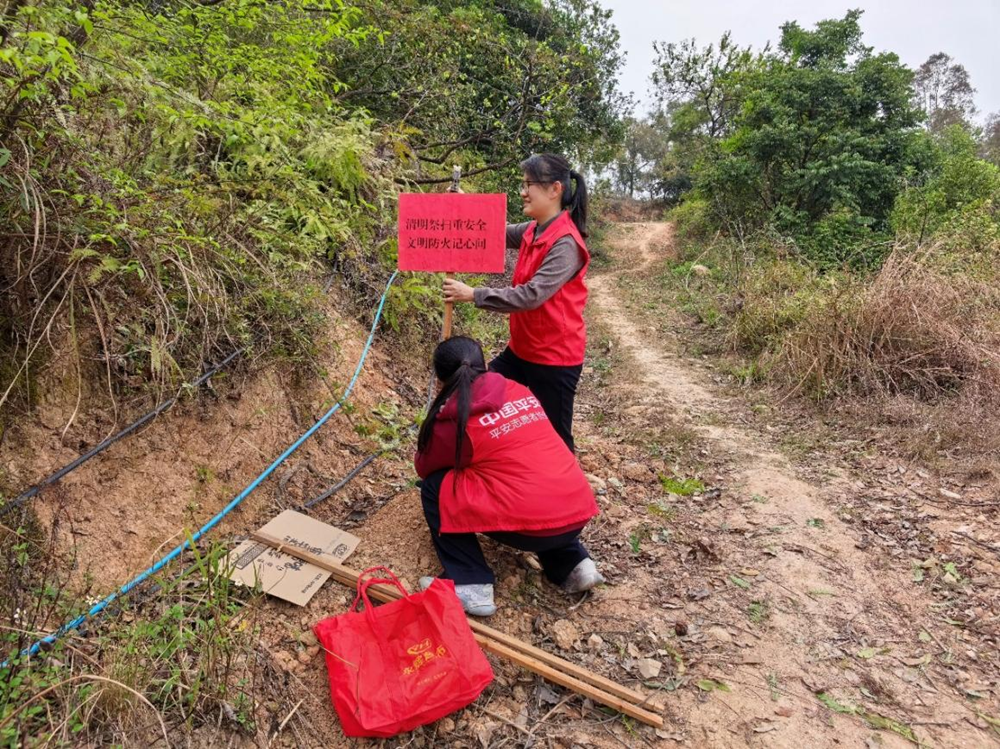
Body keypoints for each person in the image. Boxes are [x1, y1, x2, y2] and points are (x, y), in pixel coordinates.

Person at [415, 336, 605, 616]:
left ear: (440, 377)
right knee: (528, 474)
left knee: (434, 488)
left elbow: (425, 466)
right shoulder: (516, 389)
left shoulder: (455, 421)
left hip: (532, 524)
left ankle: (470, 583)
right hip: (576, 510)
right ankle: (574, 564)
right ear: (484, 365)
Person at [442, 154, 590, 452]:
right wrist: (465, 204)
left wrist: (473, 294)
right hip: (522, 350)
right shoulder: (533, 229)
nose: (523, 191)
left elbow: (531, 296)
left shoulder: (566, 244)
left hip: (554, 359)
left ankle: (565, 493)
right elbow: (493, 230)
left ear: (555, 189)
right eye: (523, 184)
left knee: (557, 439)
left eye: (529, 184)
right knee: (478, 391)